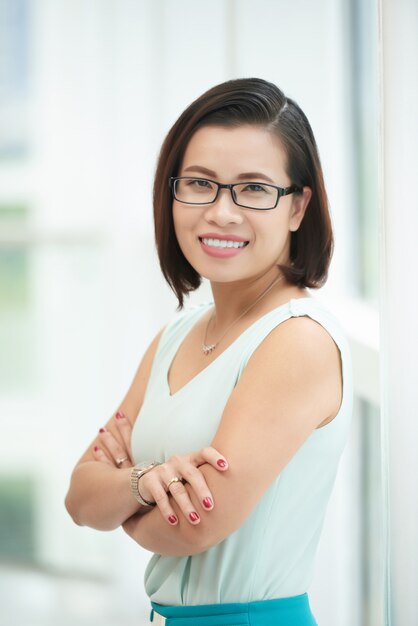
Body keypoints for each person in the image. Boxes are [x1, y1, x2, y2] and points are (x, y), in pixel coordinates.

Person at [65, 77, 353, 626]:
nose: (221, 212)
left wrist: (123, 501)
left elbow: (196, 524)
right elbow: (79, 497)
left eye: (253, 188)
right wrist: (143, 482)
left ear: (297, 207)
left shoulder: (297, 340)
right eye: (200, 183)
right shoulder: (180, 333)